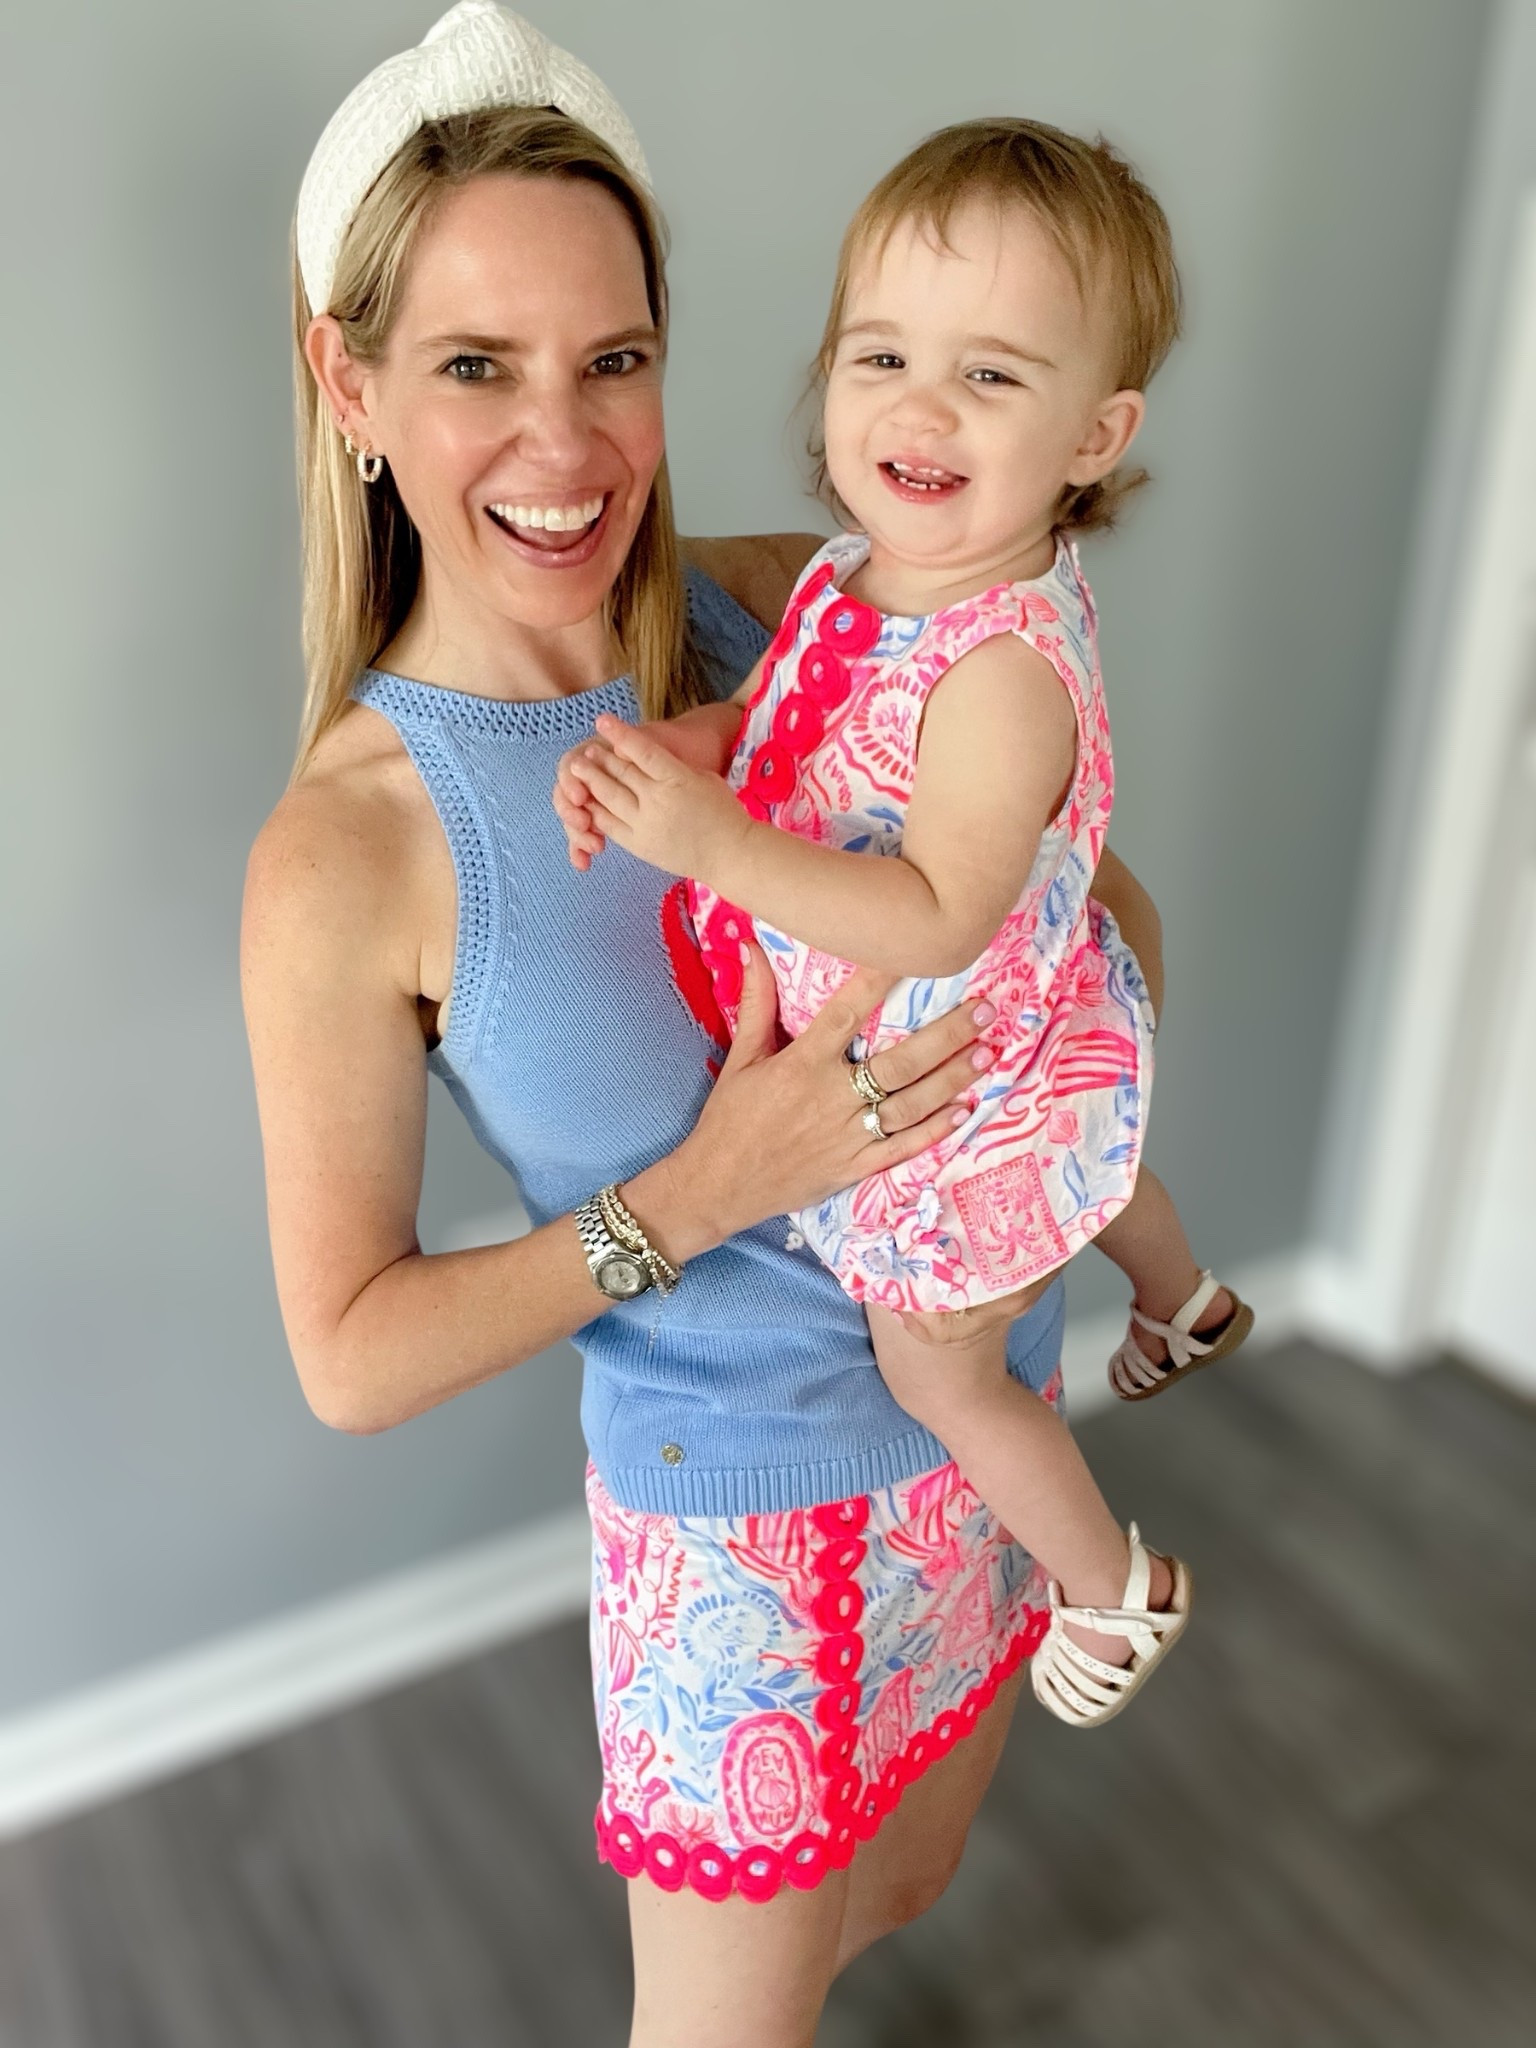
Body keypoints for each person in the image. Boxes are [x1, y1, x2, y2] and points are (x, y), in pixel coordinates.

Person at [242, 7, 1166, 2043]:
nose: (564, 446)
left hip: (978, 1392)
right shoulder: (356, 848)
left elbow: (1106, 912)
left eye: (616, 359)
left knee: (906, 1879)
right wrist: (707, 1185)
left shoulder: (797, 608)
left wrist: (1048, 1067)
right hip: (735, 1510)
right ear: (353, 380)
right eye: (477, 366)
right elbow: (350, 1355)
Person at [558, 117, 1251, 1726]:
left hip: (958, 1049)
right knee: (1105, 1157)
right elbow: (807, 711)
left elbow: (938, 915)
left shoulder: (1004, 672)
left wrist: (714, 845)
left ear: (1098, 432)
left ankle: (1112, 1588)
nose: (918, 407)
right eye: (880, 353)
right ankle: (1183, 1293)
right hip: (1035, 1016)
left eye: (995, 376)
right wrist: (701, 750)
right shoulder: (868, 572)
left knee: (936, 1366)